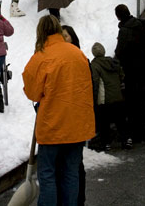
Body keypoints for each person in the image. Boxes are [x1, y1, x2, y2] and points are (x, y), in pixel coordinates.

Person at [22, 15, 95, 206]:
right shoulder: (78, 53)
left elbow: (32, 92)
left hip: (53, 126)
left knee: (48, 174)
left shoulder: (41, 56)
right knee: (71, 173)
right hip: (78, 125)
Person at [114, 4, 145, 144]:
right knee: (142, 104)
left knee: (132, 104)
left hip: (131, 72)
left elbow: (119, 51)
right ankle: (144, 134)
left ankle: (135, 134)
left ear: (118, 16)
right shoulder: (139, 25)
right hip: (144, 70)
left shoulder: (125, 30)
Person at [61, 25, 86, 206]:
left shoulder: (80, 59)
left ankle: (78, 200)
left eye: (66, 36)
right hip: (62, 121)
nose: (64, 40)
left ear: (73, 38)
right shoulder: (57, 60)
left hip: (76, 120)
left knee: (75, 166)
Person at [90, 42, 129, 151]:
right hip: (118, 97)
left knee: (104, 123)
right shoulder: (113, 62)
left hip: (104, 99)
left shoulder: (95, 65)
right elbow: (122, 76)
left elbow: (95, 81)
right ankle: (126, 140)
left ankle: (106, 143)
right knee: (120, 120)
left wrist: (94, 98)